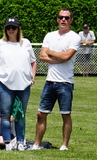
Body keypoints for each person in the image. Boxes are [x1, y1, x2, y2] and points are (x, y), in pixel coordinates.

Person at [0, 17, 36, 151]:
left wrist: (32, 76)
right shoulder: (0, 44)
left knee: (20, 114)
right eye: (8, 28)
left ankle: (21, 141)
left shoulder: (26, 43)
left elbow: (33, 61)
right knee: (5, 114)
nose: (11, 30)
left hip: (23, 85)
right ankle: (7, 143)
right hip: (4, 84)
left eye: (14, 27)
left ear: (18, 29)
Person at [32, 8, 81, 151]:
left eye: (66, 18)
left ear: (71, 20)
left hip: (65, 83)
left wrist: (51, 52)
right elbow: (42, 56)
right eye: (61, 17)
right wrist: (59, 57)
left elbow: (67, 56)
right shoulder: (50, 36)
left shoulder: (74, 37)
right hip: (50, 82)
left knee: (65, 115)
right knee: (41, 113)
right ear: (57, 19)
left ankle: (64, 145)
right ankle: (36, 144)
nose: (63, 20)